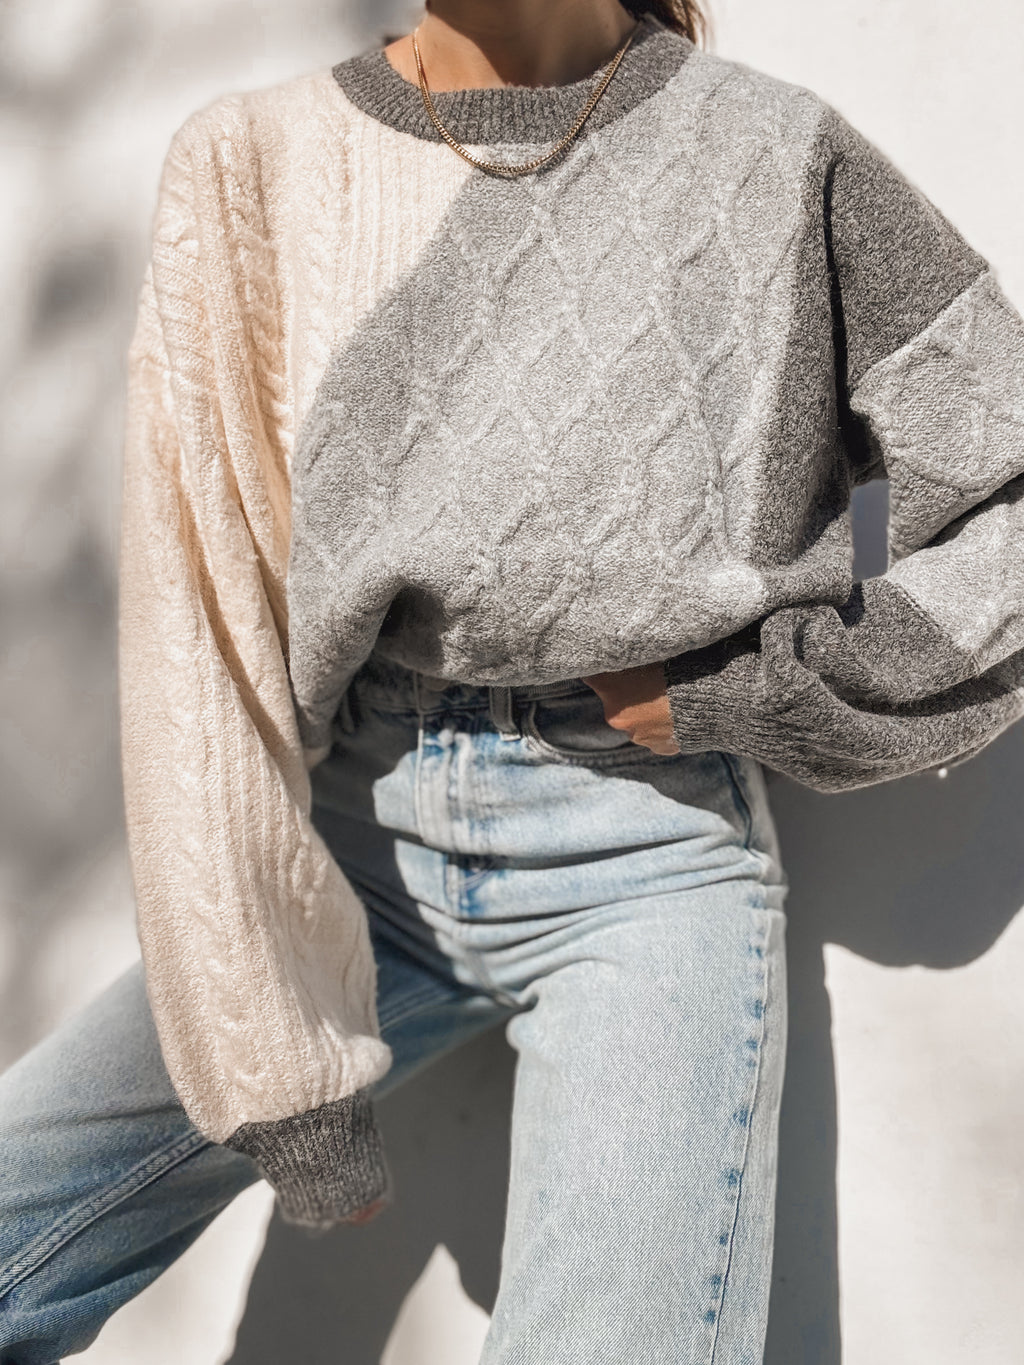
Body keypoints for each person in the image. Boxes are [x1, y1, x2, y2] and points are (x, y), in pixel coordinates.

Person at [3, 1, 1024, 1361]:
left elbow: (995, 468)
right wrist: (260, 1037)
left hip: (653, 850)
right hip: (347, 837)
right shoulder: (251, 162)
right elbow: (204, 622)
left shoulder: (775, 157)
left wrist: (775, 680)